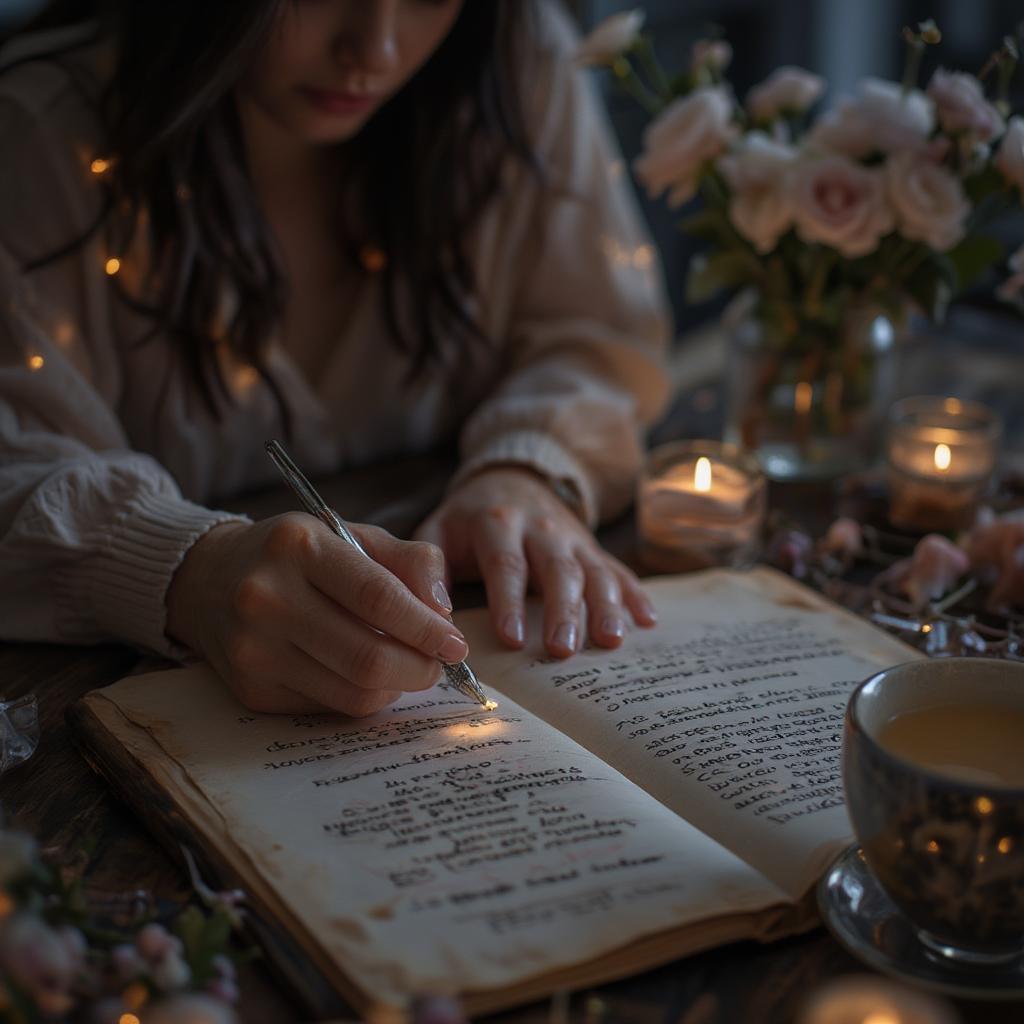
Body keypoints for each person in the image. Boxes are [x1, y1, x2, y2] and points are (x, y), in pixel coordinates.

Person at [0, 0, 671, 717]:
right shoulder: (41, 133)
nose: (374, 51)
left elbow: (595, 335)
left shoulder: (515, 52)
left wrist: (529, 467)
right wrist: (188, 570)